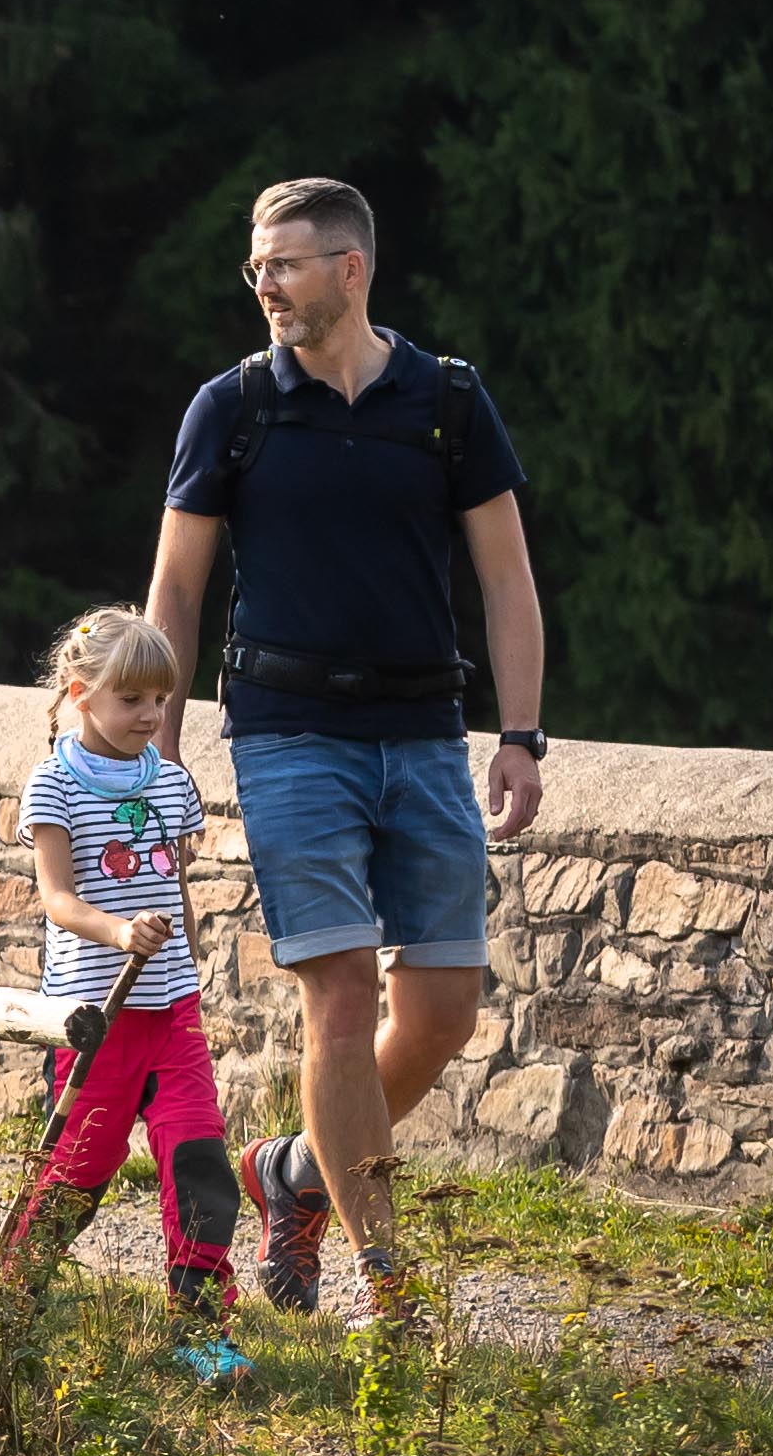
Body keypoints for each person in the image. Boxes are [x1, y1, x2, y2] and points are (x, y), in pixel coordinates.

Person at [140, 175, 547, 1333]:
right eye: (255, 267)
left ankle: (293, 1175)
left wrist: (519, 733)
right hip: (287, 735)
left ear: (351, 268)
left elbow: (508, 579)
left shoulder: (449, 403)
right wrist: (157, 760)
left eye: (285, 264)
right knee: (339, 999)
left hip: (427, 733)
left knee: (447, 1010)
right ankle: (391, 1280)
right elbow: (174, 588)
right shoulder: (232, 408)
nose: (263, 284)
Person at [0, 606, 249, 1382]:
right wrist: (118, 934)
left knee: (200, 1159)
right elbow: (58, 899)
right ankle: (8, 1299)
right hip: (94, 1019)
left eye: (160, 700)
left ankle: (199, 1326)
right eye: (131, 699)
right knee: (76, 1171)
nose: (149, 715)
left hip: (171, 1013)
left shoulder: (172, 783)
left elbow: (174, 885)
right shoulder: (53, 785)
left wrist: (192, 964)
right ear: (80, 693)